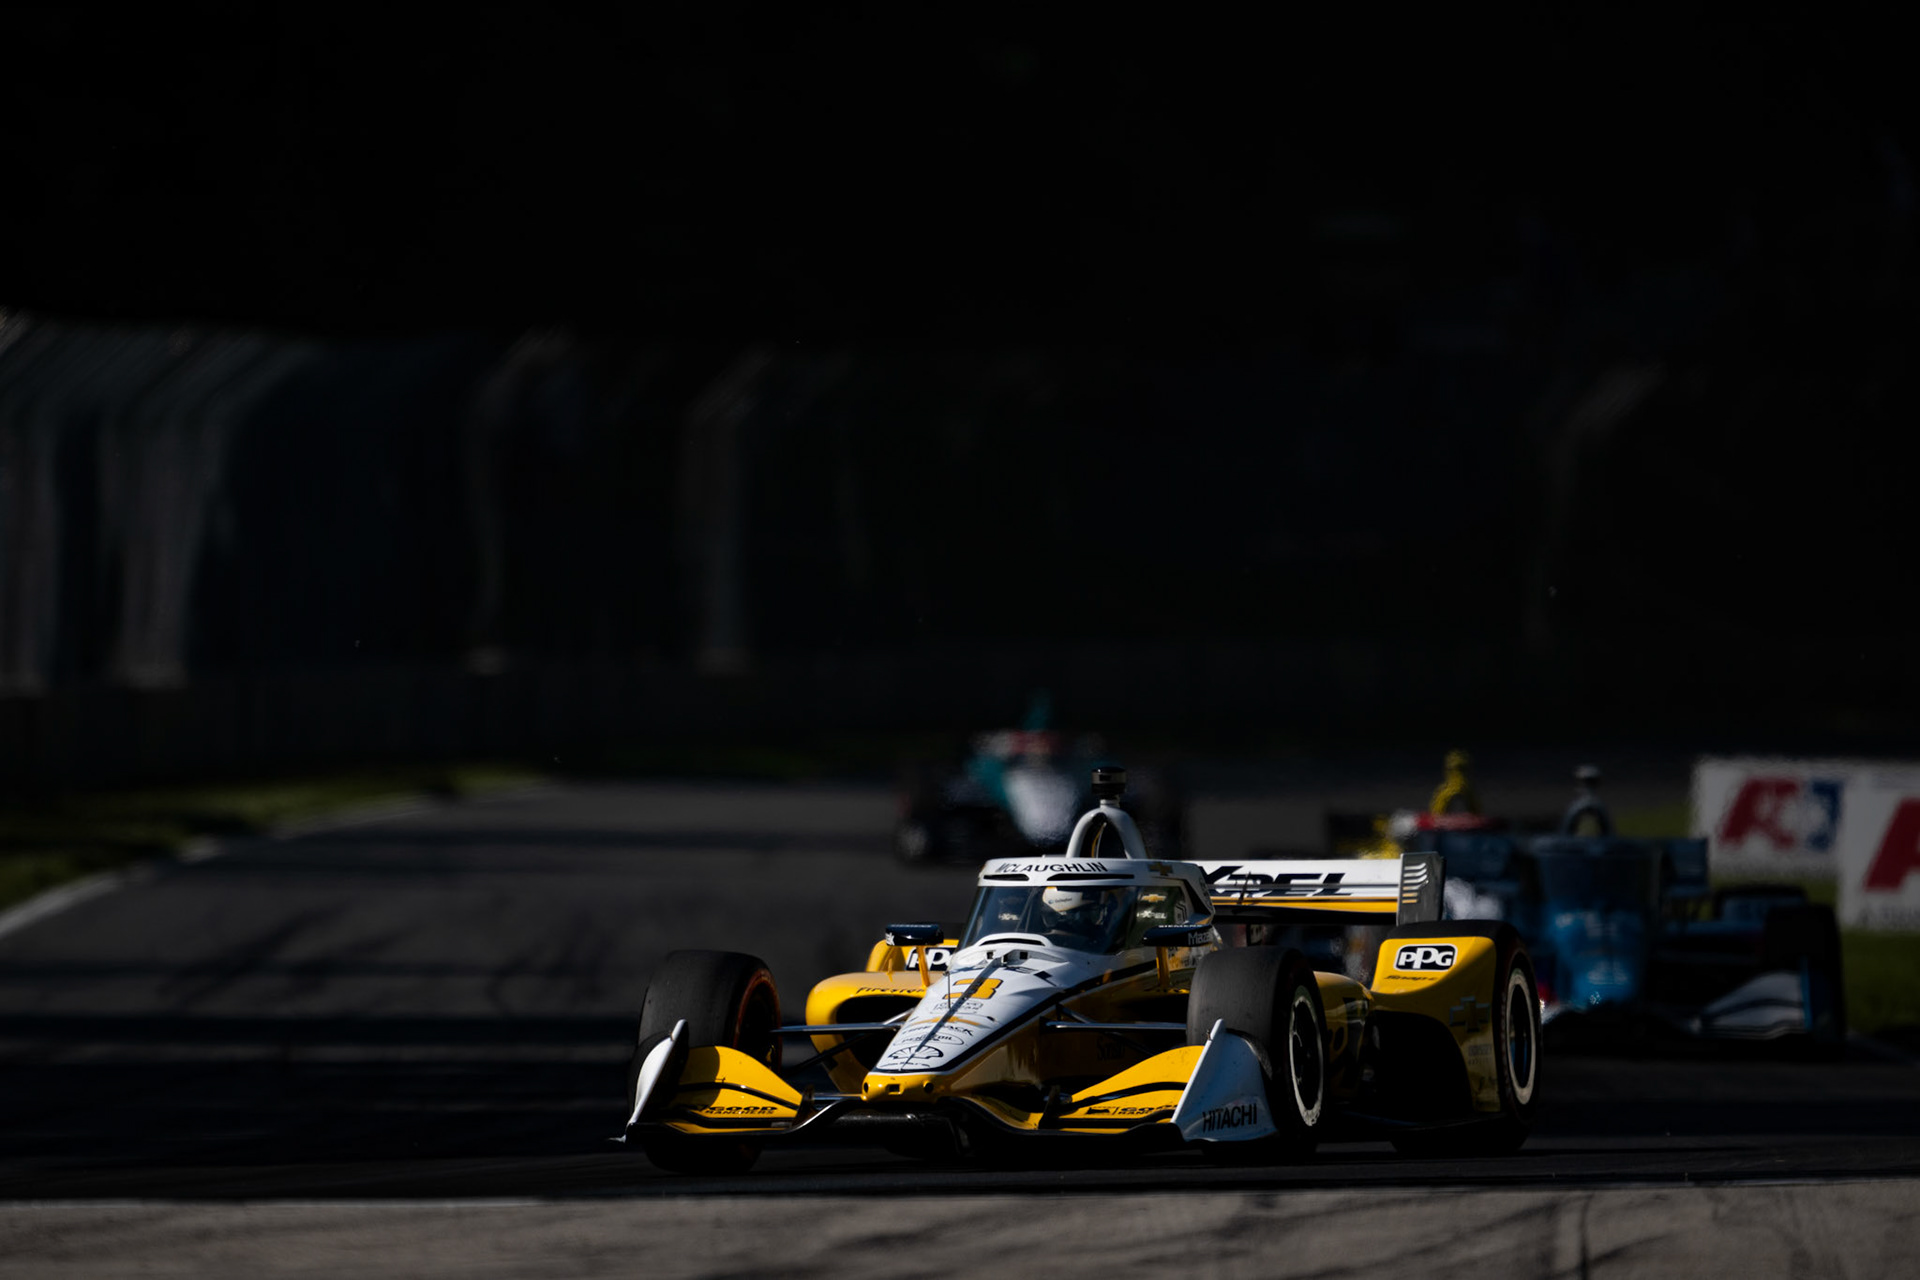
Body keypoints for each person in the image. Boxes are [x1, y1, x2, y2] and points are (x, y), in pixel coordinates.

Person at [1036, 886, 1129, 950]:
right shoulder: (1089, 950)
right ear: (1067, 915)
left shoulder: (1039, 944)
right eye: (1090, 915)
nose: (1099, 922)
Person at [1560, 763, 1613, 836]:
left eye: (1591, 782)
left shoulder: (1576, 807)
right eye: (1586, 782)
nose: (1587, 786)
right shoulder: (1576, 808)